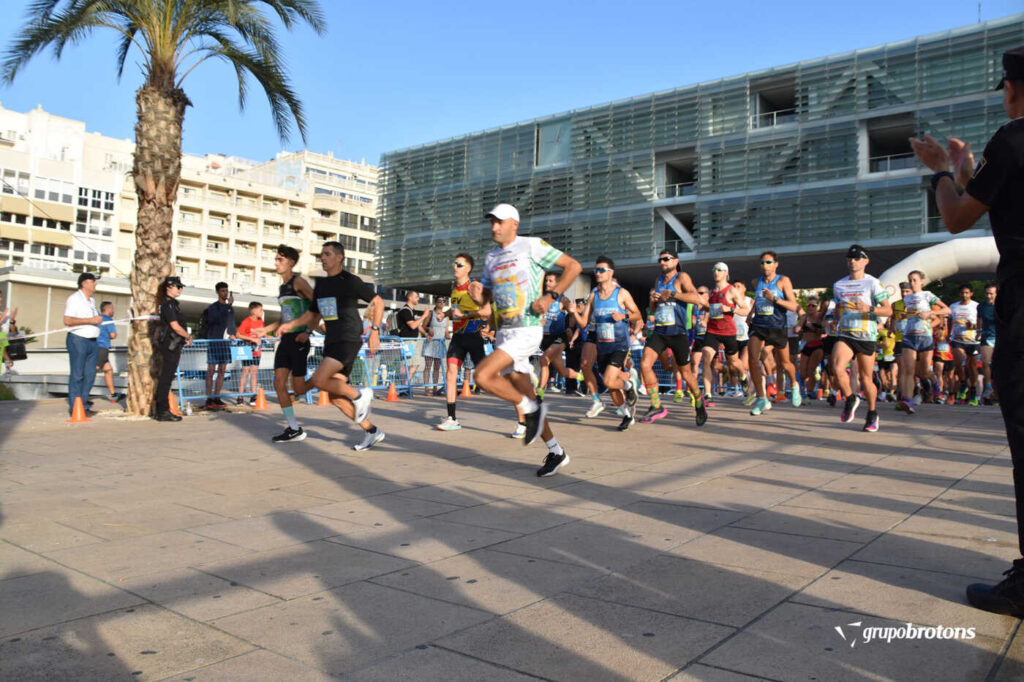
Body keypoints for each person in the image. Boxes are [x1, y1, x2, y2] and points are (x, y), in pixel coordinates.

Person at [909, 46, 1024, 615]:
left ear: (1012, 87)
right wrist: (967, 173)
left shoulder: (1015, 137)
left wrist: (940, 174)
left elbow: (957, 218)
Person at [469, 203, 582, 476]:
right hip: (504, 333)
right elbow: (487, 303)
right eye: (491, 222)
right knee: (527, 395)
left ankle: (528, 409)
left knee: (482, 376)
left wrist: (551, 296)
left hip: (527, 329)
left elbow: (573, 266)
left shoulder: (531, 245)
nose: (494, 227)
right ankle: (556, 451)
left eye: (499, 222)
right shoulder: (491, 258)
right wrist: (478, 296)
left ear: (514, 224)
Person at [278, 241, 386, 451]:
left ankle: (359, 395)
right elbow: (314, 313)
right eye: (321, 255)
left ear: (339, 257)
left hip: (348, 338)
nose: (323, 258)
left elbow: (378, 302)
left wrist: (375, 330)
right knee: (336, 397)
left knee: (319, 380)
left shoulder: (350, 281)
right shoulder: (321, 285)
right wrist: (304, 330)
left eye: (327, 254)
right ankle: (372, 431)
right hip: (332, 340)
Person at [572, 257, 642, 431]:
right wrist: (574, 312)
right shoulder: (594, 295)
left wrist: (624, 316)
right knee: (611, 387)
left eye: (602, 270)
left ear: (611, 273)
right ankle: (627, 414)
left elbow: (638, 315)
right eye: (596, 270)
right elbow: (583, 323)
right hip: (603, 345)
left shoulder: (621, 293)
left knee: (610, 381)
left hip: (619, 344)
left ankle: (628, 385)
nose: (597, 273)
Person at [254, 245, 315, 443]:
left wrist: (307, 331)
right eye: (276, 259)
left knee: (298, 388)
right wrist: (267, 329)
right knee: (278, 383)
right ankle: (294, 428)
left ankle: (330, 384)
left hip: (299, 339)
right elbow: (285, 318)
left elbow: (318, 306)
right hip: (286, 341)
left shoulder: (299, 282)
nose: (276, 263)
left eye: (280, 260)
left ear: (291, 263)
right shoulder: (282, 288)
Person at [831, 244, 894, 432]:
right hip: (846, 333)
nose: (852, 262)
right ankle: (851, 397)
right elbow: (837, 308)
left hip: (866, 334)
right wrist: (834, 319)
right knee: (836, 367)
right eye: (850, 258)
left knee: (866, 379)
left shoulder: (872, 283)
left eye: (857, 258)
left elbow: (888, 310)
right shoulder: (839, 284)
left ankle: (872, 413)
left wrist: (869, 309)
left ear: (865, 261)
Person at [638, 250, 705, 424]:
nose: (663, 262)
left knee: (686, 373)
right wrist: (653, 300)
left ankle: (699, 401)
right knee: (645, 364)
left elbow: (696, 298)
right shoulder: (658, 281)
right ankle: (656, 405)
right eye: (660, 259)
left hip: (678, 332)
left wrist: (673, 294)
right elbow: (653, 309)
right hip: (660, 331)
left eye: (666, 259)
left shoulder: (682, 277)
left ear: (676, 261)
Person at [437, 253, 491, 431]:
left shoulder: (474, 286)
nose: (455, 267)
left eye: (459, 265)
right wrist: (445, 314)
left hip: (473, 336)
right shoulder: (454, 288)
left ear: (468, 268)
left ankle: (522, 408)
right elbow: (455, 311)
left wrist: (466, 315)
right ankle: (451, 418)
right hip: (458, 337)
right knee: (451, 372)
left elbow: (486, 311)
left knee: (486, 381)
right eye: (454, 264)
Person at [747, 251, 801, 415]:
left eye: (769, 262)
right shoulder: (756, 281)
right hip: (759, 326)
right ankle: (762, 397)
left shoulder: (783, 281)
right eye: (762, 263)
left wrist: (774, 299)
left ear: (776, 264)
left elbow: (794, 306)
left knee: (785, 364)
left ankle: (793, 385)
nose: (765, 266)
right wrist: (751, 314)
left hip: (777, 327)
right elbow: (758, 300)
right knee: (752, 359)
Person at [895, 271, 949, 414]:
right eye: (910, 280)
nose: (912, 283)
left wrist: (930, 313)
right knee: (908, 370)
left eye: (915, 280)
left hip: (925, 337)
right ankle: (907, 400)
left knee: (924, 372)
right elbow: (910, 315)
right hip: (909, 337)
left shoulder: (927, 295)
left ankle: (935, 383)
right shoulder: (907, 299)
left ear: (921, 282)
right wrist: (903, 316)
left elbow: (947, 310)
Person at [700, 262, 749, 407]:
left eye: (720, 270)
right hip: (712, 330)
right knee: (706, 357)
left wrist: (730, 309)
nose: (716, 272)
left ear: (726, 273)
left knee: (733, 363)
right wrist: (704, 317)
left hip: (728, 331)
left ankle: (742, 375)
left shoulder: (732, 291)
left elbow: (745, 310)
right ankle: (708, 394)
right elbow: (710, 309)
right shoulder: (712, 291)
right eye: (714, 269)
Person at [63, 272, 103, 416]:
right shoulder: (74, 299)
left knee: (90, 375)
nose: (95, 284)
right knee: (77, 375)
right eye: (92, 281)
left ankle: (83, 404)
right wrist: (90, 321)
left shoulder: (91, 300)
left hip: (92, 341)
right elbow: (67, 320)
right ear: (84, 283)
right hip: (78, 339)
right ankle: (75, 407)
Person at [153, 276, 192, 420]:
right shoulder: (168, 304)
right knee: (166, 378)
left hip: (173, 344)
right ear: (169, 287)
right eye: (178, 286)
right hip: (170, 345)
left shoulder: (173, 304)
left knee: (167, 377)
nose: (180, 289)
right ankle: (162, 411)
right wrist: (187, 336)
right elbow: (175, 326)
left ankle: (162, 409)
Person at [202, 282, 236, 408]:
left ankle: (217, 396)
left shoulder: (230, 309)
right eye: (222, 291)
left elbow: (231, 324)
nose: (225, 293)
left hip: (225, 344)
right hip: (214, 342)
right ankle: (209, 397)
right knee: (211, 370)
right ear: (217, 292)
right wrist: (228, 306)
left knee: (222, 370)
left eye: (226, 291)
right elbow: (215, 321)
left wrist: (233, 334)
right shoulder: (213, 308)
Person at [235, 302, 264, 406]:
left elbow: (262, 332)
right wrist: (251, 338)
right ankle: (240, 396)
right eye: (260, 310)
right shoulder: (246, 322)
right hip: (247, 349)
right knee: (245, 371)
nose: (262, 312)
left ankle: (253, 396)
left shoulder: (261, 321)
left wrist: (267, 336)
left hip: (257, 351)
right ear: (254, 311)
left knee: (254, 372)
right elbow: (238, 334)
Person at [95, 301, 124, 403]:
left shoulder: (98, 319)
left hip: (96, 346)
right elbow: (112, 335)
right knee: (93, 370)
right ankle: (81, 393)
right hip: (102, 348)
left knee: (108, 369)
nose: (113, 311)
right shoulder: (108, 320)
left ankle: (113, 394)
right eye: (112, 308)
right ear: (108, 309)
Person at [423, 296, 450, 396]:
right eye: (440, 301)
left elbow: (446, 331)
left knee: (437, 367)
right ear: (436, 302)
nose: (442, 303)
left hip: (440, 343)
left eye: (444, 301)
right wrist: (428, 329)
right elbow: (423, 326)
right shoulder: (431, 314)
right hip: (431, 342)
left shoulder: (446, 316)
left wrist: (448, 335)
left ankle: (435, 388)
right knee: (428, 366)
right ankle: (426, 389)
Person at [979, 282, 998, 403]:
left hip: (1001, 337)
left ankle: (998, 390)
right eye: (987, 293)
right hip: (987, 336)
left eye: (991, 294)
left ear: (996, 294)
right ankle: (988, 386)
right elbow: (980, 320)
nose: (988, 296)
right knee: (985, 362)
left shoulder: (1004, 305)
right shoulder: (981, 306)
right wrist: (978, 330)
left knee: (998, 366)